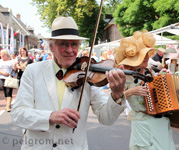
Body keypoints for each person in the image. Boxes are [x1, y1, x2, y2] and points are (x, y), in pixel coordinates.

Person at [11, 16, 126, 149]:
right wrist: (50, 116)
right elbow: (18, 114)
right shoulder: (33, 71)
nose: (70, 50)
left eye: (74, 44)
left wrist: (116, 95)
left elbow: (107, 119)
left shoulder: (88, 74)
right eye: (64, 44)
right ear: (52, 47)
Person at [114, 30, 175, 150]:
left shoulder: (151, 72)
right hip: (142, 125)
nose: (147, 57)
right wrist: (132, 91)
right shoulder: (125, 77)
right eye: (143, 55)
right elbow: (116, 101)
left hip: (161, 123)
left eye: (147, 54)